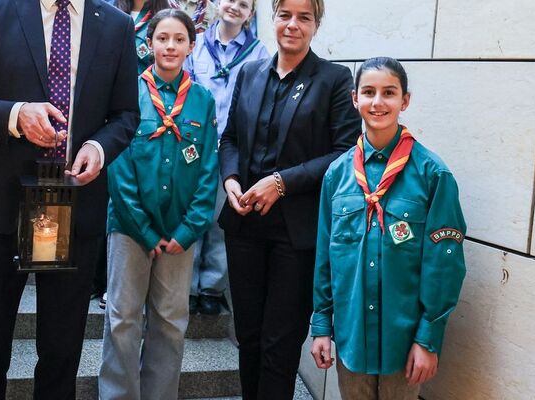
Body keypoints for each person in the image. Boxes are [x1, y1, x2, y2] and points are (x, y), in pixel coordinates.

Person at [0, 0, 139, 397]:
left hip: (74, 202)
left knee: (62, 349)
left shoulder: (117, 24)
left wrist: (98, 148)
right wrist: (17, 114)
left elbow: (125, 115)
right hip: (1, 204)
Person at [216, 0, 360, 397]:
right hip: (244, 224)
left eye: (304, 17)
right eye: (284, 15)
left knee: (279, 345)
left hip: (294, 233)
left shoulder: (334, 79)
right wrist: (230, 179)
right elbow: (229, 137)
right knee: (248, 338)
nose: (293, 24)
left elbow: (344, 152)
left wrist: (281, 182)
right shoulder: (249, 72)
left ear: (316, 25)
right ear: (273, 19)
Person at [308, 57, 467, 400]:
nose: (377, 102)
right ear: (355, 99)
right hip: (352, 338)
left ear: (404, 101)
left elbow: (444, 266)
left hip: (404, 342)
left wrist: (428, 338)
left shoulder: (432, 175)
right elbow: (325, 256)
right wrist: (321, 324)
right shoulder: (337, 175)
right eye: (368, 92)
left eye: (389, 93)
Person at [98, 9, 217, 399]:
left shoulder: (202, 101)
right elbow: (118, 167)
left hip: (180, 231)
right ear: (148, 45)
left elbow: (208, 170)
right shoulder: (126, 93)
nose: (170, 46)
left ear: (190, 45)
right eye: (162, 38)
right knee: (122, 319)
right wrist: (145, 231)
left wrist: (188, 230)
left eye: (179, 39)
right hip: (130, 228)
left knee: (170, 321)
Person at [184, 0, 267, 316]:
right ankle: (187, 286)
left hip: (232, 150)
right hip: (194, 148)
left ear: (250, 14)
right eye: (231, 0)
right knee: (193, 215)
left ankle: (211, 288)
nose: (235, 7)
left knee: (220, 219)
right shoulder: (197, 45)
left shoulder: (259, 54)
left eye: (244, 4)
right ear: (218, 4)